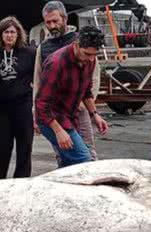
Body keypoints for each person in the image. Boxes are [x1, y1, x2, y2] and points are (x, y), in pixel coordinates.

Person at [34, 1, 101, 162]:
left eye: (55, 21)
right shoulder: (51, 56)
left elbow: (90, 84)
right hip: (54, 113)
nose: (52, 25)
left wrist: (93, 113)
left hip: (78, 108)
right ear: (76, 47)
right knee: (79, 157)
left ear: (65, 19)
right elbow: (38, 86)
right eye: (48, 22)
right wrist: (55, 129)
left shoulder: (88, 49)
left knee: (84, 153)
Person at [0, 16, 36, 179]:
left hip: (24, 107)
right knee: (2, 148)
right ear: (1, 34)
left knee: (25, 147)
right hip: (2, 109)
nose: (9, 35)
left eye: (13, 32)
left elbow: (40, 77)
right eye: (6, 32)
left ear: (18, 34)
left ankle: (22, 181)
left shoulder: (30, 53)